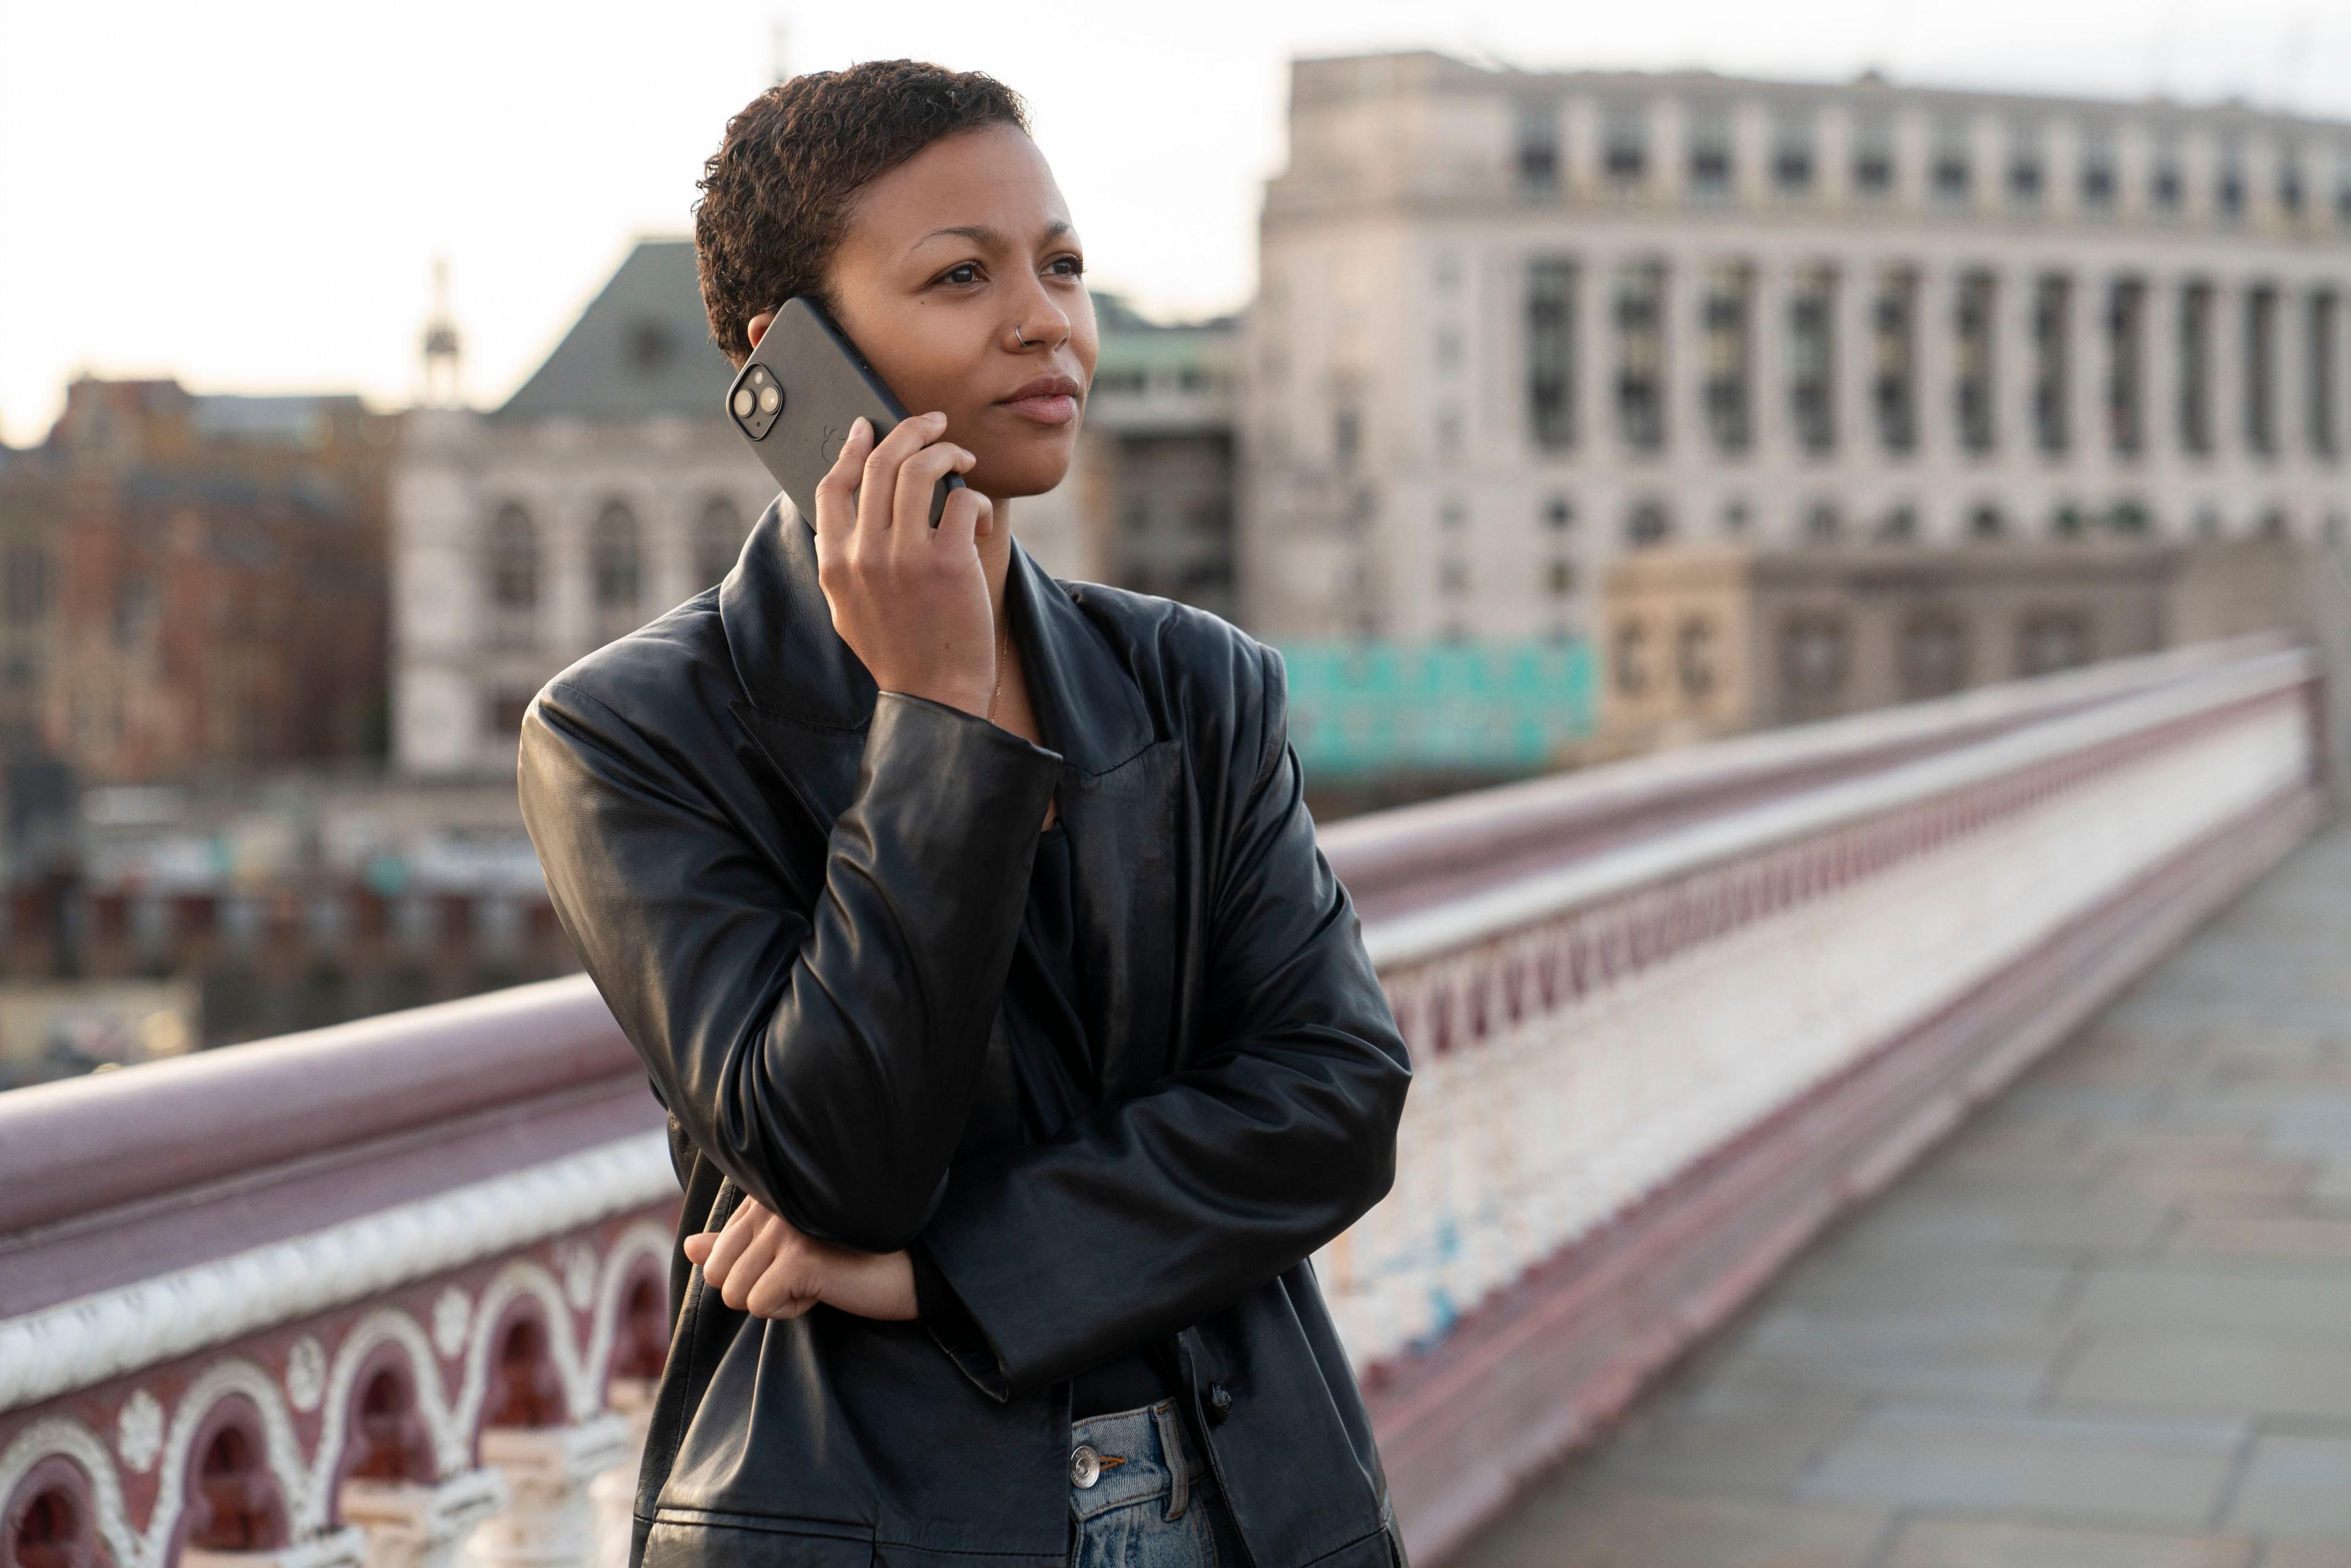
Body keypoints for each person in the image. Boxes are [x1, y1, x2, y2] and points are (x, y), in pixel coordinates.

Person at [517, 59, 1411, 1568]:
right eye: (960, 274)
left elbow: (1332, 1100)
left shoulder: (1196, 684)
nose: (1044, 319)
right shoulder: (633, 734)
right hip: (863, 1520)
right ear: (784, 358)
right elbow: (833, 1161)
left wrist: (947, 1264)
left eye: (1062, 264)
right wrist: (933, 719)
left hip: (1250, 1502)